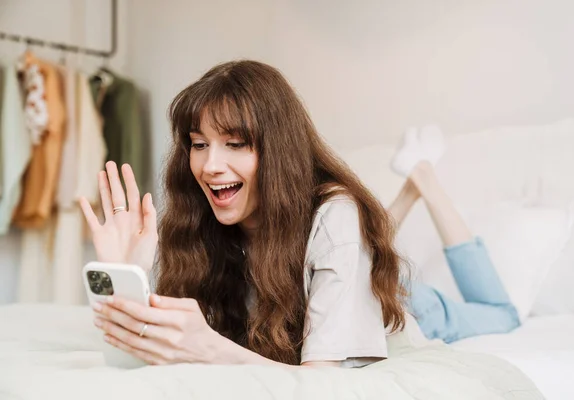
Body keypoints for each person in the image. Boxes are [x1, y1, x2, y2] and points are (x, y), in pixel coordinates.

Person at [80, 60, 407, 368]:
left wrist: (210, 348)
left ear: (279, 151)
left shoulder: (335, 217)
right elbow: (167, 355)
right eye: (199, 144)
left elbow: (322, 383)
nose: (210, 167)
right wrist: (130, 280)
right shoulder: (205, 223)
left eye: (235, 144)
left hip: (418, 310)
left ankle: (415, 184)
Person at [387, 126, 521, 343]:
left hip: (390, 300)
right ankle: (419, 179)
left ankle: (420, 178)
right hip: (400, 304)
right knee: (506, 315)